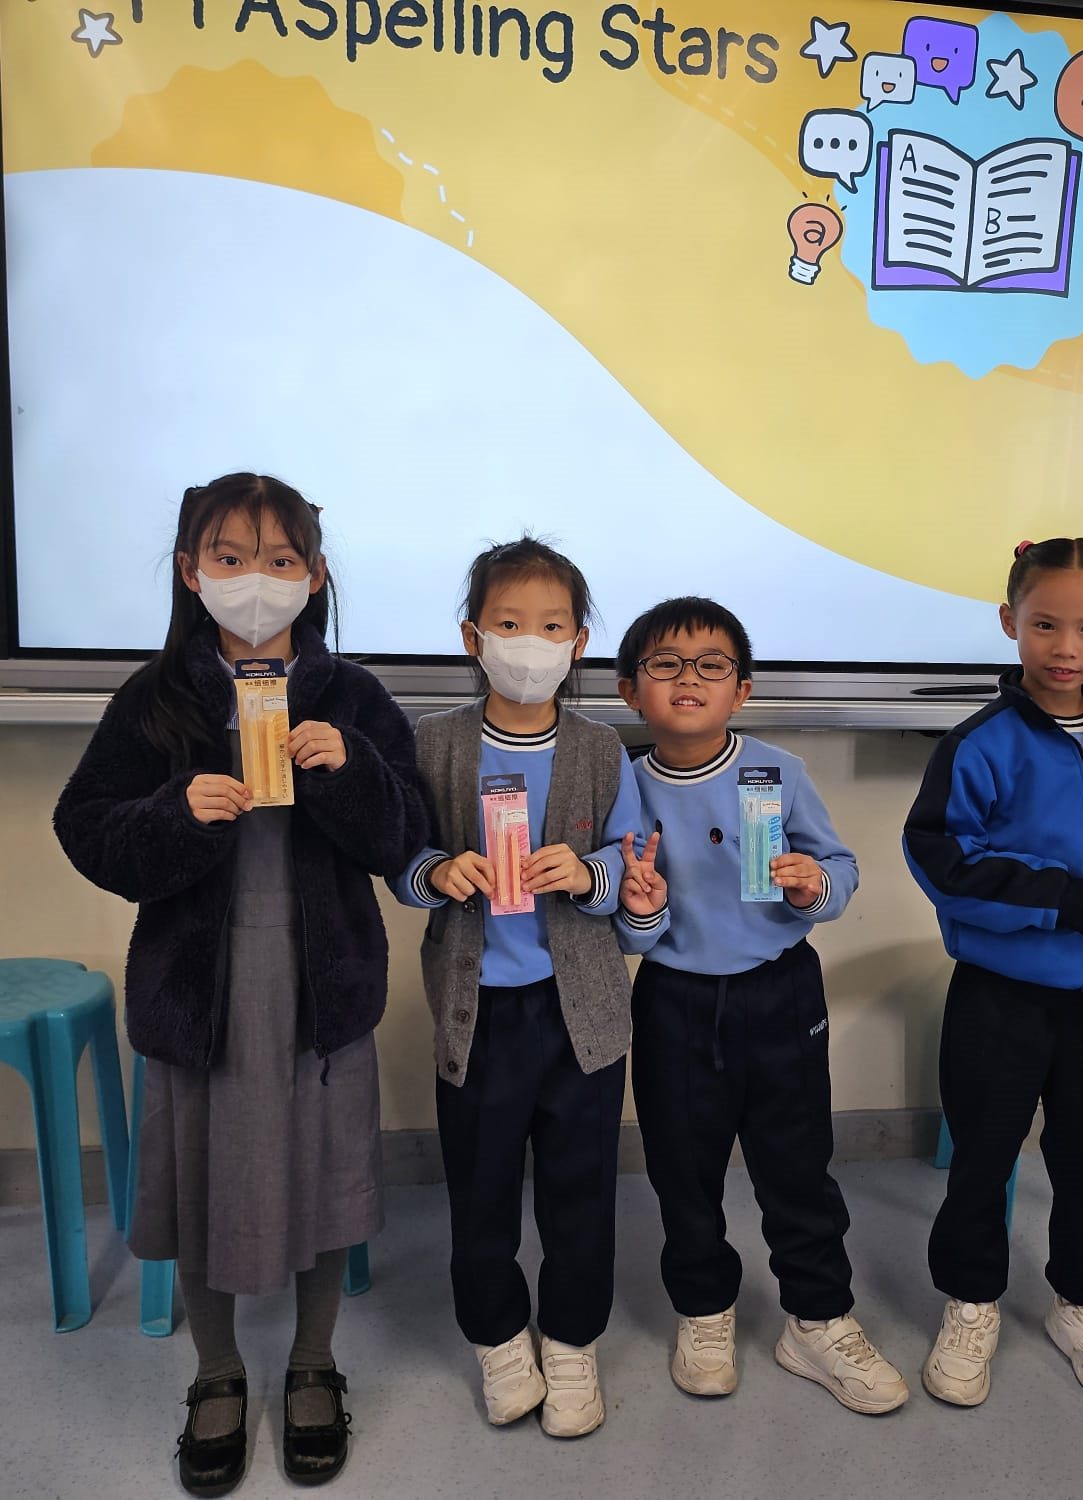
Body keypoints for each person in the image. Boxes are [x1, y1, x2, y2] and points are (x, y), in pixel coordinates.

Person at [55, 474, 428, 1494]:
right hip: (201, 994)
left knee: (325, 1176)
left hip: (320, 990)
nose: (254, 580)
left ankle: (311, 1362)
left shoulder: (352, 698)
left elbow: (406, 836)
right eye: (228, 558)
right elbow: (85, 828)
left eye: (279, 560)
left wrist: (350, 768)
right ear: (191, 572)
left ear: (314, 576)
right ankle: (216, 1370)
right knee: (199, 1181)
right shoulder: (155, 698)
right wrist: (174, 812)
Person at [903, 539, 1083, 1410]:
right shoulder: (979, 744)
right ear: (1010, 623)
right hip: (1001, 999)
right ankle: (971, 1302)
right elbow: (944, 861)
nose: (1065, 647)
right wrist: (1061, 899)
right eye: (1044, 625)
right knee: (983, 1156)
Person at [392, 538, 666, 1438]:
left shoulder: (600, 749)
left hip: (582, 1014)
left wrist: (586, 874)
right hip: (476, 1016)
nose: (529, 643)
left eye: (551, 627)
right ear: (473, 636)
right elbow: (401, 860)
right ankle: (501, 1340)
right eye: (509, 623)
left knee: (580, 1191)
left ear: (578, 642)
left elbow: (629, 866)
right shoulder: (433, 742)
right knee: (481, 1192)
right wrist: (440, 871)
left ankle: (573, 1343)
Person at [613, 595, 910, 1415]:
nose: (689, 679)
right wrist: (642, 908)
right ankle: (704, 1310)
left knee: (797, 1166)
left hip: (781, 993)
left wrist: (814, 885)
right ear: (630, 689)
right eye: (665, 664)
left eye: (712, 665)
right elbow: (628, 930)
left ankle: (817, 1318)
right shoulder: (622, 787)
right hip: (673, 1000)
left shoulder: (780, 770)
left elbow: (840, 869)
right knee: (683, 1171)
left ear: (741, 689)